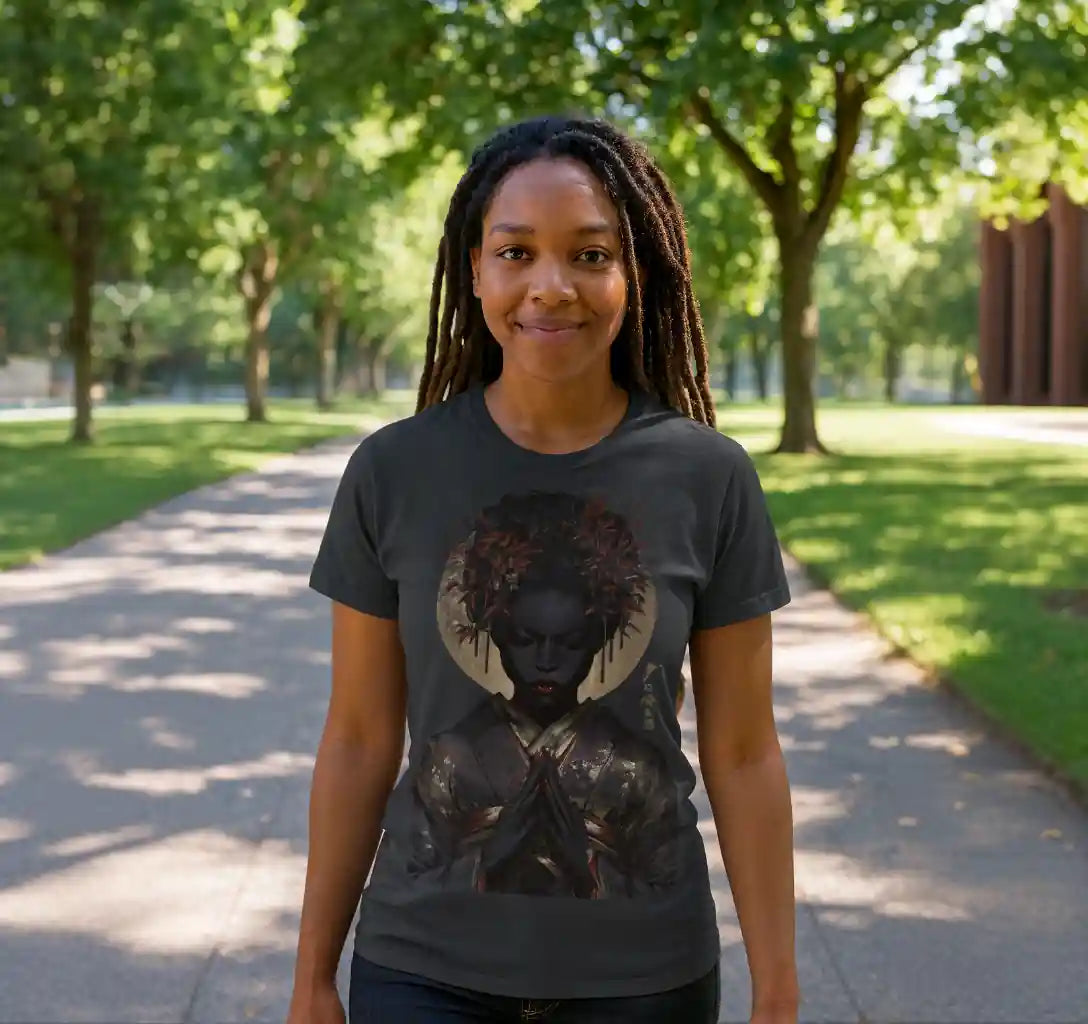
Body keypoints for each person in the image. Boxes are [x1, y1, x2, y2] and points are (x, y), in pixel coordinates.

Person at [290, 115, 798, 1024]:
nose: (550, 287)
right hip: (421, 975)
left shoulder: (708, 478)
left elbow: (744, 750)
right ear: (474, 269)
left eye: (591, 255)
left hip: (645, 981)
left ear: (635, 273)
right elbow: (361, 739)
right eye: (515, 252)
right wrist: (312, 977)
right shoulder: (393, 473)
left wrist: (779, 991)